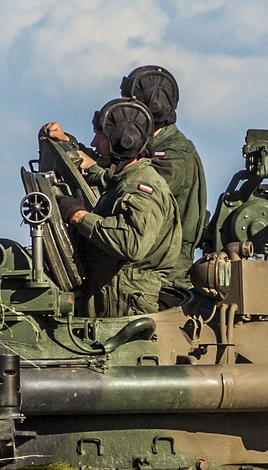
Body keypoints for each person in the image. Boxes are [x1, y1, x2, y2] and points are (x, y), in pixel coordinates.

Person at [42, 65, 206, 288]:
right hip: (131, 271)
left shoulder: (175, 156)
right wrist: (66, 143)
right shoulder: (143, 149)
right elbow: (110, 157)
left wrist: (82, 209)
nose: (126, 109)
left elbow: (129, 184)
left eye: (131, 104)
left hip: (157, 274)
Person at [55, 99, 181, 317]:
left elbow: (132, 243)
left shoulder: (143, 187)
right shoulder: (123, 180)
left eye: (100, 137)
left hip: (125, 303)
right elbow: (102, 175)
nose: (94, 143)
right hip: (112, 293)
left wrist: (79, 217)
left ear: (124, 142)